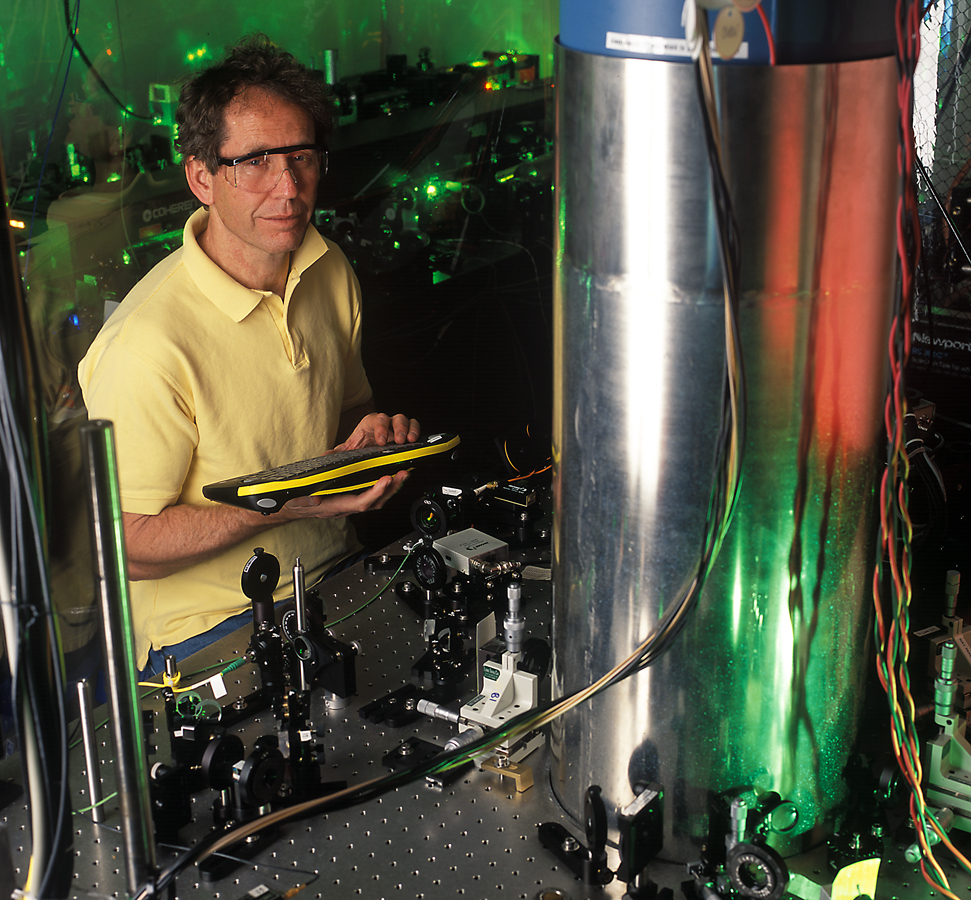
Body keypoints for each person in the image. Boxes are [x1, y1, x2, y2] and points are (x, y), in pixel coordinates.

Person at [78, 36, 420, 674]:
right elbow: (120, 544)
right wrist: (284, 501)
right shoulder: (147, 344)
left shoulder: (326, 266)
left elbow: (348, 412)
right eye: (257, 161)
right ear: (202, 176)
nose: (288, 187)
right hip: (210, 630)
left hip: (336, 574)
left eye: (302, 156)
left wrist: (371, 443)